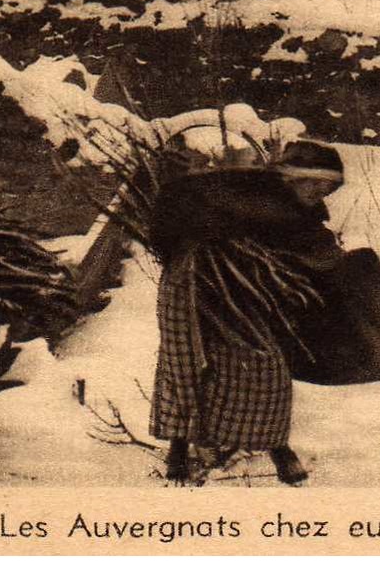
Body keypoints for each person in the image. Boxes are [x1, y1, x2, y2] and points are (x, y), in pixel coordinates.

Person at [148, 139, 347, 486]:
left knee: (267, 366)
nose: (320, 191)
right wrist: (189, 254)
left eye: (328, 187)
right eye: (314, 182)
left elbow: (313, 248)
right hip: (192, 283)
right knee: (185, 364)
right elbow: (170, 213)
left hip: (246, 294)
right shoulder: (242, 190)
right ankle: (178, 446)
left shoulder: (305, 214)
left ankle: (276, 445)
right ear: (293, 177)